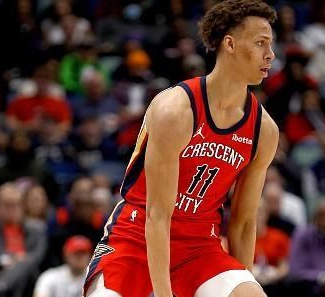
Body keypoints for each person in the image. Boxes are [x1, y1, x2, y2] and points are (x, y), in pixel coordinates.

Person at [83, 1, 279, 297]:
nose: (270, 55)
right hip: (136, 239)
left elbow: (244, 222)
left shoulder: (264, 130)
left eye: (271, 44)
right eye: (260, 44)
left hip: (200, 247)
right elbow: (158, 215)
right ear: (230, 44)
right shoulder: (175, 110)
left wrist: (240, 281)